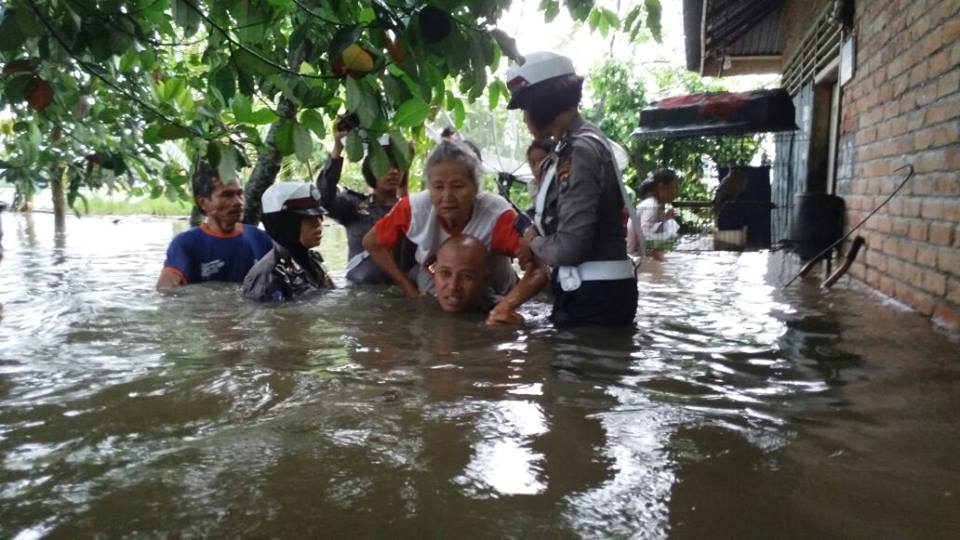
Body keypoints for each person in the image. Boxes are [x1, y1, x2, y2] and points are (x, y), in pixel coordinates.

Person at [506, 51, 640, 326]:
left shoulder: (579, 151)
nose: (524, 119)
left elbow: (569, 248)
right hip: (594, 291)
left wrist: (533, 242)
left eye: (525, 108)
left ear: (542, 103)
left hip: (595, 297)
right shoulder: (575, 144)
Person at [363, 138, 548, 325]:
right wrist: (408, 288)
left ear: (476, 187)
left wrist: (508, 305)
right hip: (433, 287)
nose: (447, 197)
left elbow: (539, 268)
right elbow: (372, 242)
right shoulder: (415, 208)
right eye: (438, 187)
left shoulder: (496, 215)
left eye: (458, 186)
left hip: (496, 289)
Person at [316, 128, 413, 284]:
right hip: (360, 294)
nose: (394, 171)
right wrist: (337, 149)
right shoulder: (354, 206)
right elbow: (324, 201)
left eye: (398, 166)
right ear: (371, 169)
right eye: (387, 165)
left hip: (402, 295)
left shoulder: (414, 210)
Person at [156, 165, 273, 292]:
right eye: (227, 195)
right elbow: (165, 290)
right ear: (203, 202)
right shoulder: (186, 243)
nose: (238, 202)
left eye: (240, 194)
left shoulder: (260, 238)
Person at [242, 182, 334, 302]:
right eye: (308, 218)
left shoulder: (311, 261)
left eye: (319, 216)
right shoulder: (269, 277)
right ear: (286, 223)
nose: (318, 225)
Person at [432, 235, 524, 324]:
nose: (453, 286)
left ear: (486, 281)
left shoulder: (504, 314)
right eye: (445, 273)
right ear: (434, 273)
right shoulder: (425, 305)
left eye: (466, 276)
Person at [626, 169, 681, 257]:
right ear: (662, 187)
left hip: (640, 258)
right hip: (637, 260)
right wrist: (671, 240)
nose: (676, 192)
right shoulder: (651, 206)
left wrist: (665, 219)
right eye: (674, 187)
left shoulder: (655, 205)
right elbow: (646, 242)